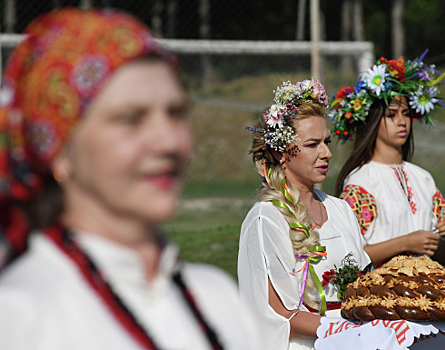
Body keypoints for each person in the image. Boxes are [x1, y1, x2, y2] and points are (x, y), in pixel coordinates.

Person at [0, 8, 260, 350]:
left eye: (176, 113)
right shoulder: (22, 312)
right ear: (60, 152)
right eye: (130, 119)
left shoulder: (216, 296)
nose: (167, 141)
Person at [238, 78, 372, 350]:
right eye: (313, 145)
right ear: (281, 152)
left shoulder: (341, 209)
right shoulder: (267, 219)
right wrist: (345, 328)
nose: (328, 153)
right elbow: (280, 315)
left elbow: (366, 282)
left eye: (327, 141)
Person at [329, 52, 445, 267]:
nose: (402, 122)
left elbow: (442, 257)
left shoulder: (423, 178)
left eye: (406, 113)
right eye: (391, 114)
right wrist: (406, 242)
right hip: (382, 294)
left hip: (426, 291)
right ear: (372, 121)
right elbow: (350, 254)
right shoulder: (361, 180)